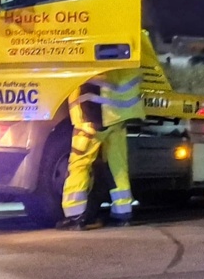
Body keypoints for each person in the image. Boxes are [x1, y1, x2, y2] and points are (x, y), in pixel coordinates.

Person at [56, 69, 145, 231]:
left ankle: (75, 216)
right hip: (117, 119)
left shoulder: (91, 59)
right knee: (118, 167)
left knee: (79, 165)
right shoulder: (121, 59)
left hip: (92, 119)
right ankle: (122, 214)